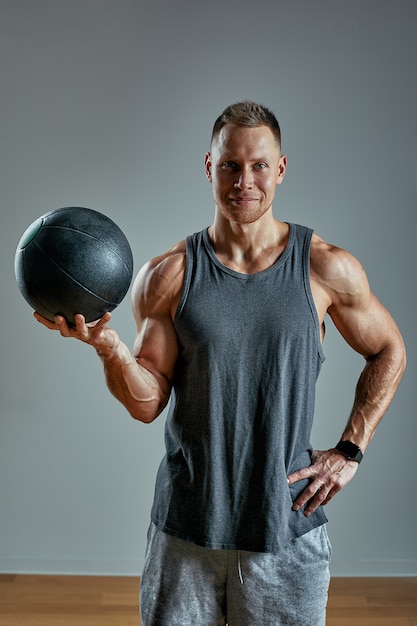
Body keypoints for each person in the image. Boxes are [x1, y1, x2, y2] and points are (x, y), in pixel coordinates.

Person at [35, 101, 406, 626]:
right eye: (230, 164)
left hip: (286, 529)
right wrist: (110, 349)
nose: (244, 180)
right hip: (186, 531)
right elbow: (147, 404)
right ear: (209, 167)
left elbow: (389, 349)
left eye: (259, 166)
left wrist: (351, 449)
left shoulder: (325, 268)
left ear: (280, 169)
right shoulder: (167, 276)